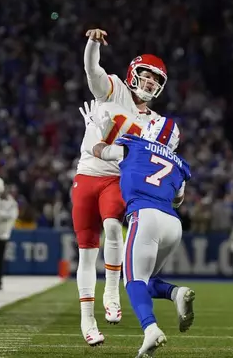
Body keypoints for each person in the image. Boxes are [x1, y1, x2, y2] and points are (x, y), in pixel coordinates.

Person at [72, 28, 168, 346]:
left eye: (157, 80)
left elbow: (145, 159)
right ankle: (88, 321)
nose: (151, 82)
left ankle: (112, 292)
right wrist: (92, 44)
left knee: (113, 228)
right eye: (147, 74)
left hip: (116, 177)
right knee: (86, 253)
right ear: (133, 72)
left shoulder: (157, 122)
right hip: (87, 173)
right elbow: (91, 69)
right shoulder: (114, 90)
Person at [85, 111, 194, 357]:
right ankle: (176, 293)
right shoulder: (180, 165)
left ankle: (151, 329)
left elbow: (99, 151)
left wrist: (96, 128)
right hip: (172, 223)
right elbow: (178, 200)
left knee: (133, 280)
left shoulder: (133, 144)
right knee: (145, 281)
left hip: (144, 215)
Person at [0, 180, 18, 291]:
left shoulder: (12, 203)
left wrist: (0, 216)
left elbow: (12, 216)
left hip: (3, 234)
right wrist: (3, 217)